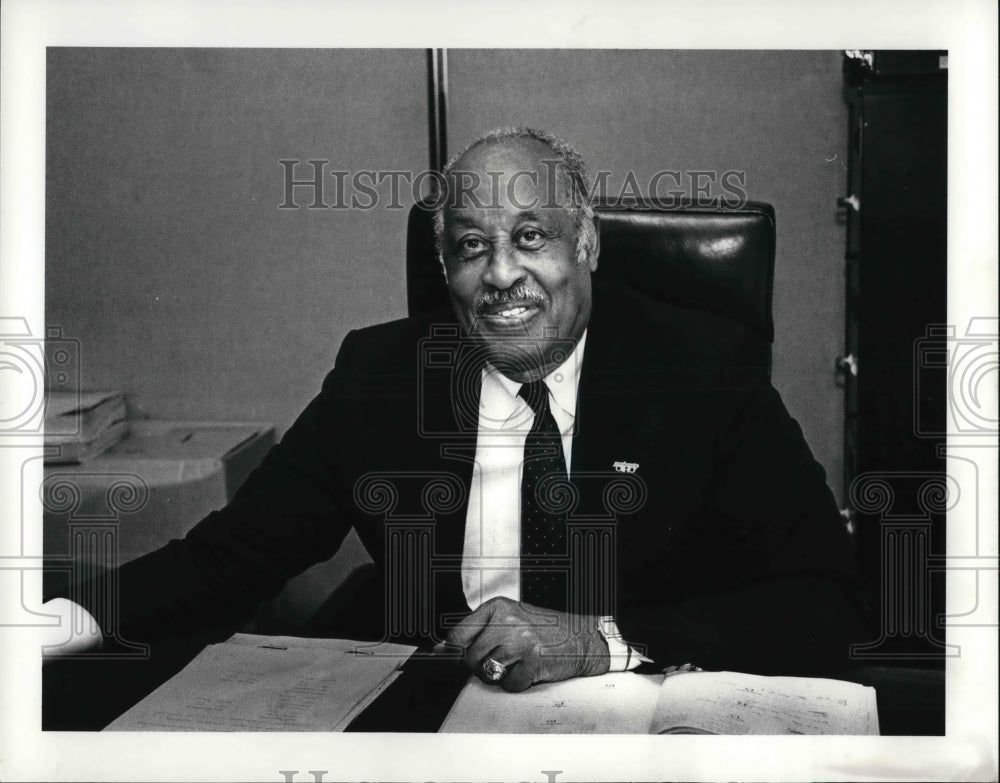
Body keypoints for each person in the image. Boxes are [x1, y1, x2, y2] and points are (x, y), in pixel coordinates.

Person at [45, 127, 872, 694]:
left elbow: (829, 599)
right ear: (446, 269)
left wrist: (598, 640)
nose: (503, 275)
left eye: (532, 237)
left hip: (640, 712)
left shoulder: (704, 371)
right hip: (442, 722)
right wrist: (50, 625)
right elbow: (229, 557)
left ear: (586, 244)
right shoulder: (381, 373)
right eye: (474, 246)